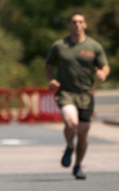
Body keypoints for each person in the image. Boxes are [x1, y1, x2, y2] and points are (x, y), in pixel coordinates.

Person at [45, 11, 110, 180]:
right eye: (74, 22)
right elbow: (49, 64)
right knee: (71, 121)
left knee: (83, 134)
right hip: (65, 92)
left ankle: (78, 165)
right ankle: (68, 145)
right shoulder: (60, 46)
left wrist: (103, 73)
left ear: (85, 25)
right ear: (69, 25)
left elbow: (105, 65)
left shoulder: (94, 46)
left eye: (80, 22)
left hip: (86, 94)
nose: (77, 25)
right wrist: (52, 79)